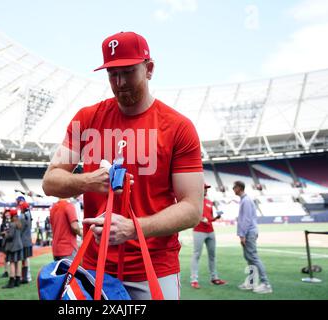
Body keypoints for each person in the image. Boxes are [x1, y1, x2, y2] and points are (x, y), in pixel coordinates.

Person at [42, 31, 204, 300]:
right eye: (112, 74)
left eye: (128, 72)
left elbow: (191, 209)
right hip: (95, 266)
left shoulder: (178, 127)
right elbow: (50, 181)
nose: (119, 83)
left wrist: (133, 228)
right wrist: (88, 181)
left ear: (149, 69)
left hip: (154, 267)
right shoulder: (86, 118)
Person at [233, 180, 272, 294]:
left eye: (234, 187)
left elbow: (246, 219)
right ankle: (251, 282)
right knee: (250, 258)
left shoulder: (246, 200)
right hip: (249, 232)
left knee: (253, 257)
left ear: (239, 187)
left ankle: (266, 284)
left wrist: (242, 235)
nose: (233, 190)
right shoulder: (245, 200)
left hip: (248, 233)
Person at [190, 183, 226, 289]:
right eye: (204, 188)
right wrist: (200, 218)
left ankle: (214, 278)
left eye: (207, 188)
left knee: (212, 255)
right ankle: (194, 280)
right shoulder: (195, 202)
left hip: (210, 231)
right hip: (199, 231)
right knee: (197, 255)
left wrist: (216, 218)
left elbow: (209, 218)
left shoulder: (210, 202)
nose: (206, 190)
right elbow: (192, 215)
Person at [1, 208, 23, 289]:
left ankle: (11, 282)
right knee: (18, 262)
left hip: (12, 247)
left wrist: (4, 234)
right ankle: (17, 280)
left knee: (12, 263)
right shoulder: (18, 223)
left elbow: (10, 236)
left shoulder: (12, 224)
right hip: (19, 246)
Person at [16, 196, 33, 284]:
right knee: (25, 259)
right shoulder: (29, 214)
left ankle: (24, 277)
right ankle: (26, 277)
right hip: (27, 240)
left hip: (22, 240)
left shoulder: (22, 216)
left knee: (22, 259)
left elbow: (19, 229)